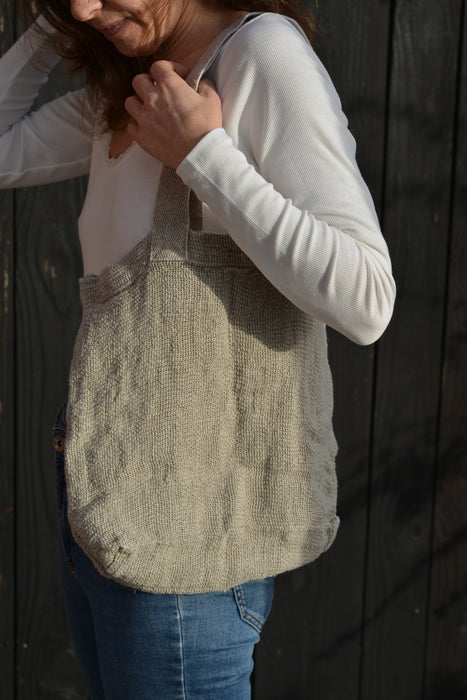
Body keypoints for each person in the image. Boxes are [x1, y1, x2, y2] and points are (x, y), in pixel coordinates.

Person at [0, 0, 396, 697]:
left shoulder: (259, 54)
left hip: (188, 521)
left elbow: (365, 299)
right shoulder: (130, 86)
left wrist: (202, 154)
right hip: (102, 494)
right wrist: (49, 23)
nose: (86, 8)